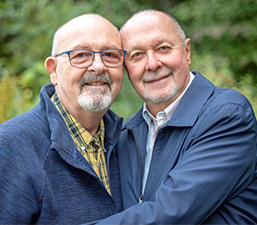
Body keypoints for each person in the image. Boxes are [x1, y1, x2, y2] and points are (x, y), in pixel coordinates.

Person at [96, 10, 257, 224]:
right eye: (137, 55)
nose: (152, 64)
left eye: (163, 48)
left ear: (187, 51)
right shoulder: (127, 136)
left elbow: (170, 213)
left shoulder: (227, 115)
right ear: (126, 69)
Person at [0, 14, 125, 224]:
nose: (99, 66)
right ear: (53, 70)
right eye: (81, 55)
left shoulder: (127, 141)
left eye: (110, 55)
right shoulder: (11, 147)